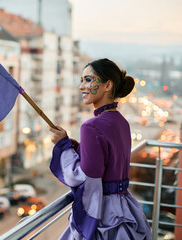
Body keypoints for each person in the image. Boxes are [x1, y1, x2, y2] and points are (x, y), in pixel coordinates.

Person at [49, 58, 151, 240]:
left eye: (88, 80)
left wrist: (63, 146)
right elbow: (108, 161)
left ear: (107, 85)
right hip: (124, 207)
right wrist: (79, 148)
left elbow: (83, 177)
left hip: (104, 213)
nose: (81, 86)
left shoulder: (90, 127)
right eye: (81, 80)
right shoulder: (122, 122)